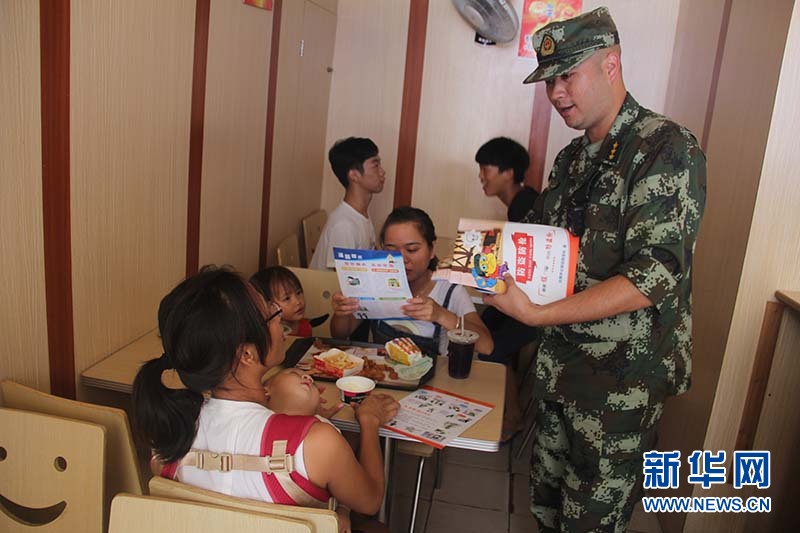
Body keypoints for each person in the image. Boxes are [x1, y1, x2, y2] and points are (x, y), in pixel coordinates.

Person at [484, 8, 707, 532]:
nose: (557, 93)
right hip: (561, 371)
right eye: (549, 81)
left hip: (619, 387)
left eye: (567, 75)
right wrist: (475, 258)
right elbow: (539, 242)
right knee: (547, 509)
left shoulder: (664, 148)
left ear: (611, 64)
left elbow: (656, 273)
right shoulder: (571, 160)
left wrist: (538, 315)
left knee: (591, 521)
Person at [132, 266, 400, 528]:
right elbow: (370, 501)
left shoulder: (169, 438)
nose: (279, 316)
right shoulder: (318, 443)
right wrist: (369, 421)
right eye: (270, 313)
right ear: (246, 354)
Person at [331, 206, 493, 357]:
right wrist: (342, 312)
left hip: (431, 375)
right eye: (391, 251)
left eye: (412, 250)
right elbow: (340, 334)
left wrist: (441, 315)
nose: (402, 259)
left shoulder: (449, 290)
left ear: (431, 249)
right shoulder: (374, 281)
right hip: (382, 371)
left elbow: (486, 346)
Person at [309, 137, 386, 270]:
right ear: (354, 175)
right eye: (375, 165)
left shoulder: (360, 214)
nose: (382, 171)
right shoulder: (344, 226)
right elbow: (342, 278)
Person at [251, 266, 326, 337]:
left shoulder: (305, 327)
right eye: (287, 298)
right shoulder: (269, 334)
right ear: (268, 306)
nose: (298, 302)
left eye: (298, 293)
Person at [475, 136, 536, 222]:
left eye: (485, 170)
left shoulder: (524, 209)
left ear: (508, 173)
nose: (480, 176)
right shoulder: (523, 202)